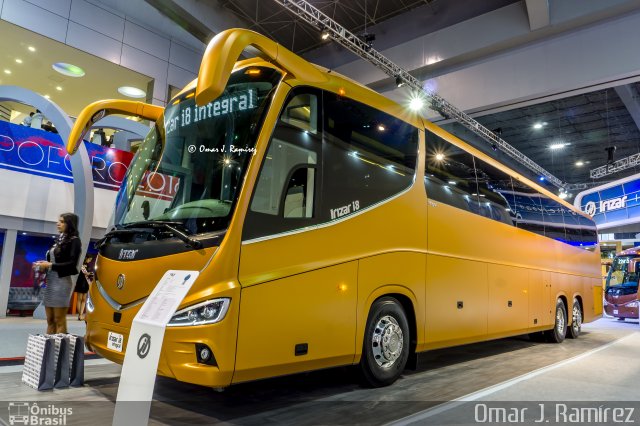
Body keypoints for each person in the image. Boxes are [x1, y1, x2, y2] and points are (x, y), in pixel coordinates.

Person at [34, 213, 82, 334]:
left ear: (69, 224)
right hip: (51, 283)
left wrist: (50, 265)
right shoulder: (59, 240)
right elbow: (53, 262)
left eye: (62, 221)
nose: (58, 223)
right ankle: (49, 348)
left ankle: (60, 349)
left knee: (59, 320)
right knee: (50, 320)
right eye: (58, 220)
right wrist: (43, 266)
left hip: (62, 283)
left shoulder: (75, 241)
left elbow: (72, 265)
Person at [74, 254, 94, 321]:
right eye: (89, 259)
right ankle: (80, 315)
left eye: (91, 260)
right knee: (79, 299)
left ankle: (81, 314)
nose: (90, 261)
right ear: (86, 258)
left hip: (86, 283)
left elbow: (88, 274)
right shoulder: (80, 264)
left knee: (84, 300)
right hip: (80, 282)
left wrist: (90, 274)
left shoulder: (88, 265)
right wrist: (87, 274)